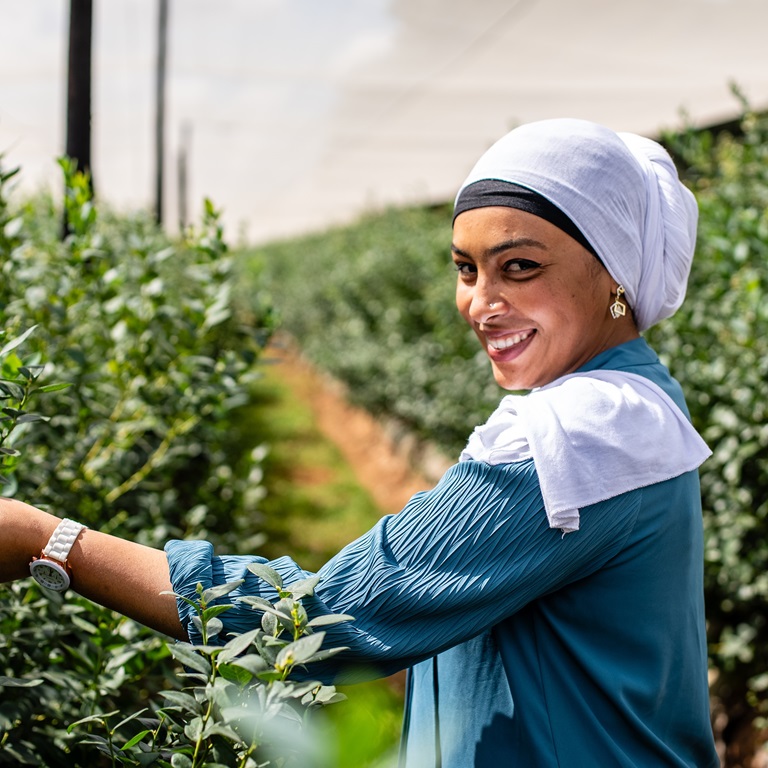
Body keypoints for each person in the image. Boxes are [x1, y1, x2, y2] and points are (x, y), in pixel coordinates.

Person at [0, 118, 719, 767]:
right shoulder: (636, 397)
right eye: (465, 269)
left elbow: (315, 622)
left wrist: (49, 542)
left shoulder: (578, 436)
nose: (479, 302)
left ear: (615, 275)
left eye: (519, 266)